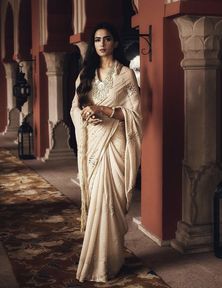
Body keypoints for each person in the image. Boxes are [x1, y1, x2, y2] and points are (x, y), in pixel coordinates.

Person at [70, 22, 142, 283]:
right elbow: (74, 109)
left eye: (107, 39)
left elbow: (137, 114)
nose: (102, 44)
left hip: (115, 143)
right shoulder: (85, 75)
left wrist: (104, 110)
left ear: (116, 43)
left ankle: (112, 259)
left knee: (111, 202)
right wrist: (87, 114)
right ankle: (99, 260)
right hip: (94, 142)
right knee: (98, 200)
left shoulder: (125, 75)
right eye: (98, 40)